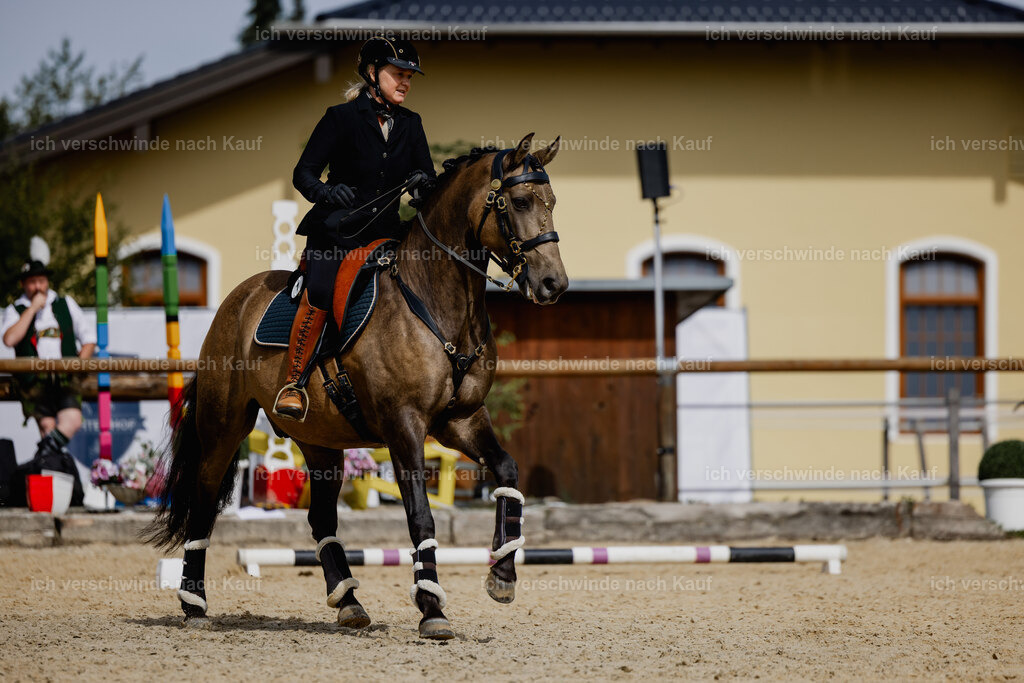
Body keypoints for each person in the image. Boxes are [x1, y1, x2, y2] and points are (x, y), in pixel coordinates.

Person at [274, 36, 436, 420]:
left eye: (409, 77)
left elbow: (428, 179)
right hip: (337, 233)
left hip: (386, 234)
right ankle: (294, 382)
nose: (406, 83)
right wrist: (330, 192)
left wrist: (421, 183)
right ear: (372, 73)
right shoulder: (340, 118)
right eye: (399, 75)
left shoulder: (412, 124)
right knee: (323, 289)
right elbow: (304, 174)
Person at [1, 239, 95, 504]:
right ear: (24, 285)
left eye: (41, 281)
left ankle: (38, 465)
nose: (38, 286)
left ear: (46, 281)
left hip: (64, 377)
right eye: (32, 282)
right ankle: (53, 499)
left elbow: (88, 340)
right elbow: (9, 339)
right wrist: (32, 309)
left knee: (72, 421)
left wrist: (77, 366)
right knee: (48, 427)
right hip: (33, 381)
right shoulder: (16, 309)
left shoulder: (65, 303)